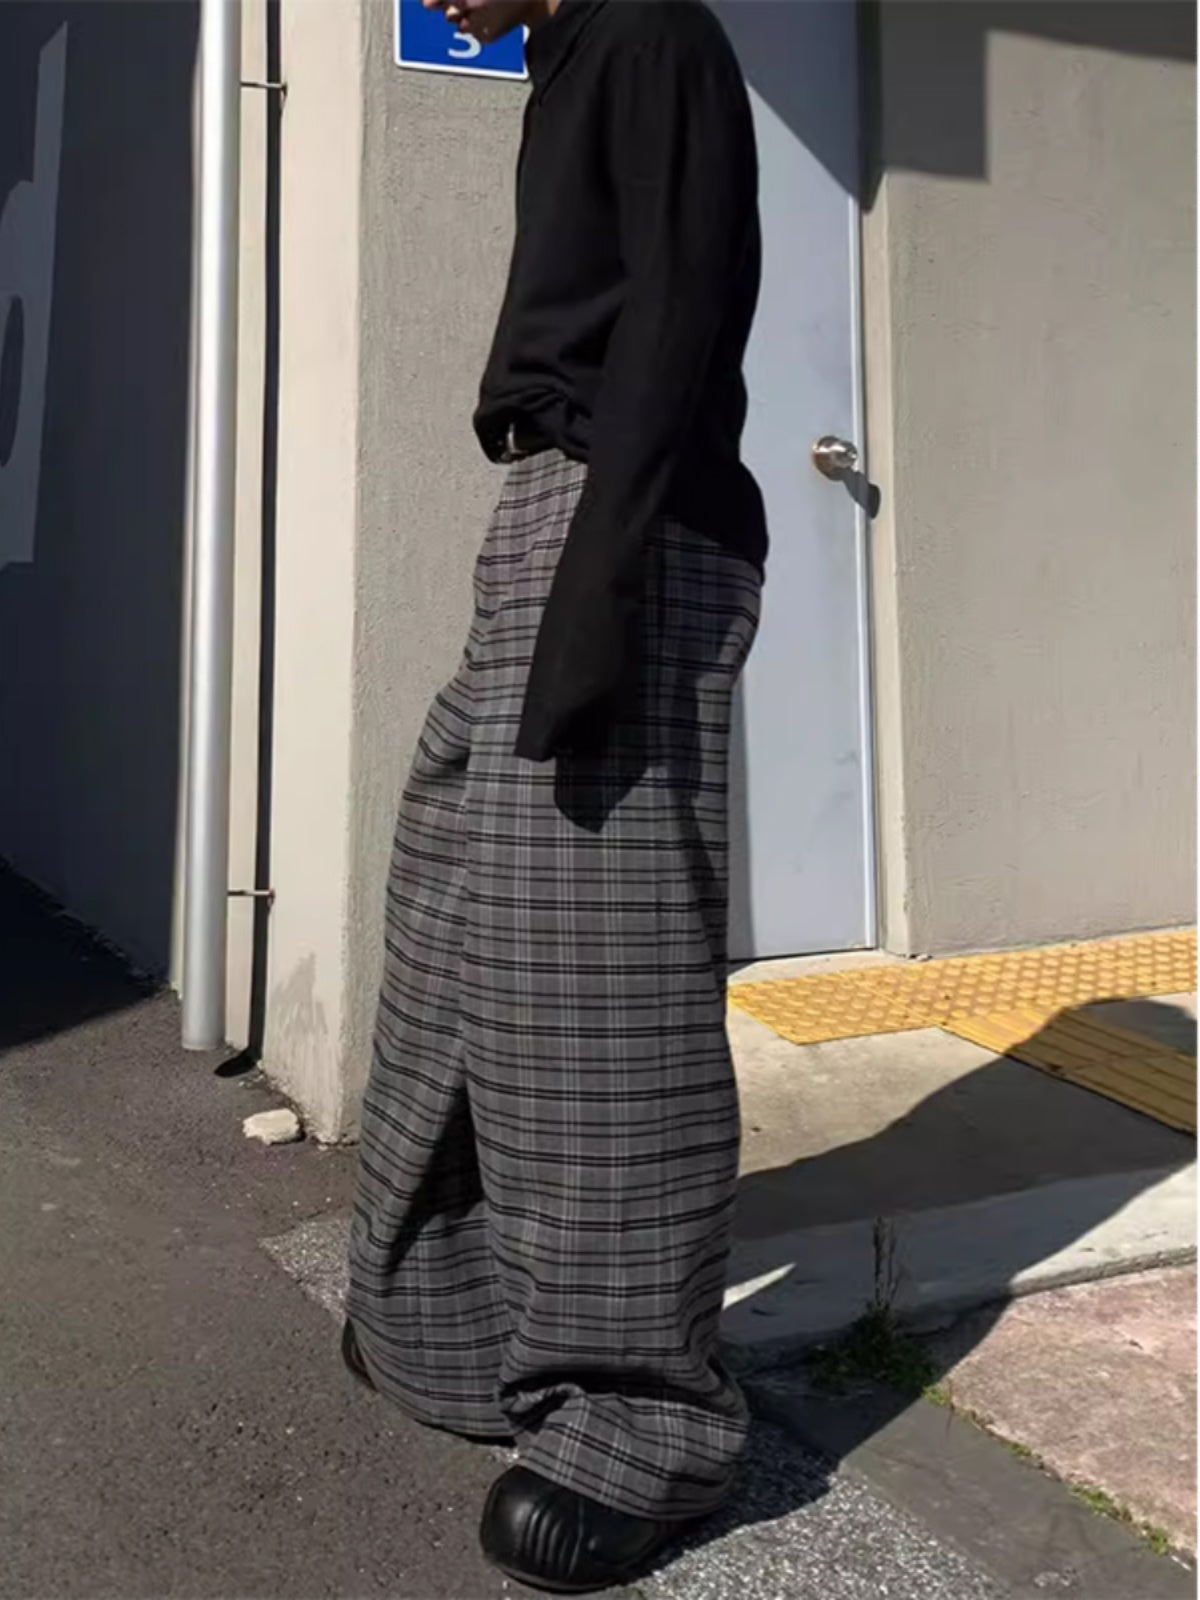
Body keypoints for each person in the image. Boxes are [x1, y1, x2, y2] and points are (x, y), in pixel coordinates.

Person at [344, 0, 767, 1590]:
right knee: (460, 912)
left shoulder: (652, 30)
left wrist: (605, 577)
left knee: (599, 986)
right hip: (553, 508)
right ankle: (458, 1313)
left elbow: (679, 305)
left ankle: (646, 1421)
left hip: (625, 522)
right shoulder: (579, 49)